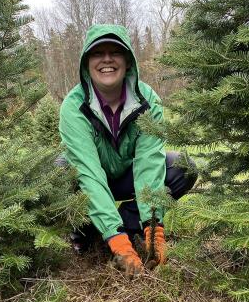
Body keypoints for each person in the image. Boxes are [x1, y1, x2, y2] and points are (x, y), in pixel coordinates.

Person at [59, 24, 197, 276]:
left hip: (126, 176)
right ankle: (88, 231)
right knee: (58, 173)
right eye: (98, 53)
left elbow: (148, 163)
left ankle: (133, 224)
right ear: (86, 62)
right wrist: (117, 240)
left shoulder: (147, 100)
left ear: (128, 61)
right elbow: (87, 173)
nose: (107, 59)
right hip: (90, 177)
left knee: (182, 166)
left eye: (116, 52)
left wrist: (153, 225)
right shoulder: (73, 106)